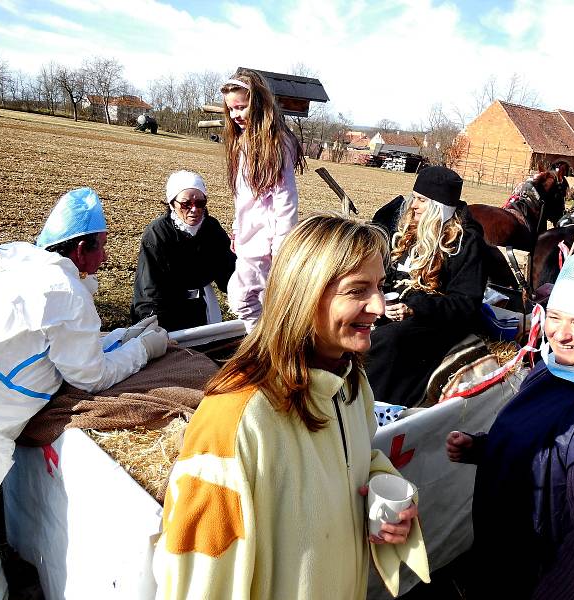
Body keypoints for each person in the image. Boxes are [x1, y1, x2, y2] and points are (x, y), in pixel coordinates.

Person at [0, 188, 169, 600]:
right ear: (80, 249)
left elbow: (53, 345)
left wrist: (118, 336)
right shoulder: (63, 291)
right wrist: (141, 350)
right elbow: (90, 376)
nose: (105, 258)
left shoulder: (18, 272)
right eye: (100, 248)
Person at [152, 214, 429, 599]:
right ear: (304, 294)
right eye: (357, 290)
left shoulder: (351, 384)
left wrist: (389, 498)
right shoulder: (235, 420)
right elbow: (200, 578)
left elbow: (357, 461)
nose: (380, 306)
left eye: (380, 286)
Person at [446, 249, 574, 599]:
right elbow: (547, 448)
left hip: (537, 579)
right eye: (554, 317)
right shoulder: (553, 370)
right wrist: (482, 447)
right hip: (503, 563)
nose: (560, 334)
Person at [367, 166, 488, 408]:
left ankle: (377, 406)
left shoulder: (465, 242)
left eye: (421, 200)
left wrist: (413, 308)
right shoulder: (407, 231)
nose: (413, 205)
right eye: (414, 198)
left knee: (390, 340)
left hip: (433, 320)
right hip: (392, 310)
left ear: (438, 206)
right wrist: (381, 301)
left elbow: (466, 303)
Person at [220, 68, 306, 331]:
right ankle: (264, 343)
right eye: (231, 109)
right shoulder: (244, 142)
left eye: (241, 107)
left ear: (258, 103)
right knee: (256, 297)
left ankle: (261, 347)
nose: (235, 115)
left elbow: (286, 201)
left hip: (265, 240)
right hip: (248, 236)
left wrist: (281, 247)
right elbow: (243, 199)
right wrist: (237, 230)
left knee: (242, 298)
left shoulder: (276, 144)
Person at [131, 170, 236, 332]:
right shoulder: (157, 234)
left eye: (200, 203)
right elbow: (149, 290)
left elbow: (228, 274)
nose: (194, 210)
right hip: (167, 312)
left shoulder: (212, 229)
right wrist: (154, 330)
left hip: (203, 309)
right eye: (186, 204)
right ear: (172, 203)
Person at [505, 170, 560, 238]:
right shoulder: (535, 182)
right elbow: (536, 196)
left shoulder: (537, 179)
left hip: (520, 196)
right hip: (523, 196)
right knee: (542, 206)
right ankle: (537, 233)